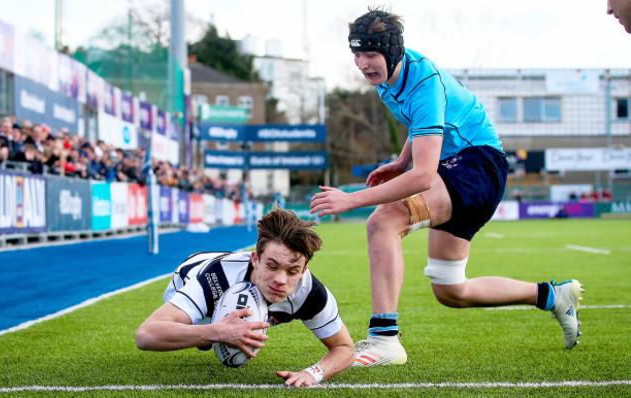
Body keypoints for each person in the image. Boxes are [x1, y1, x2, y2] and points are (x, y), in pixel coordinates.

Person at [309, 7, 584, 367]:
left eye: (370, 54)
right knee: (451, 288)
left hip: (477, 166)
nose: (362, 63)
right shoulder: (388, 80)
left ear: (392, 51)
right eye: (357, 55)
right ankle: (552, 295)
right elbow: (421, 126)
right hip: (459, 171)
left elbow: (424, 176)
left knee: (383, 220)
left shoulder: (424, 84)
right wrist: (399, 162)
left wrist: (351, 200)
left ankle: (384, 339)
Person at [136, 208, 355, 387]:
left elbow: (345, 348)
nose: (280, 280)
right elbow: (146, 335)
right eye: (272, 266)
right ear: (255, 259)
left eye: (292, 271)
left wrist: (313, 374)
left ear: (304, 270)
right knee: (201, 335)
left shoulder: (310, 293)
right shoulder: (214, 279)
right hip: (190, 272)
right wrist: (216, 332)